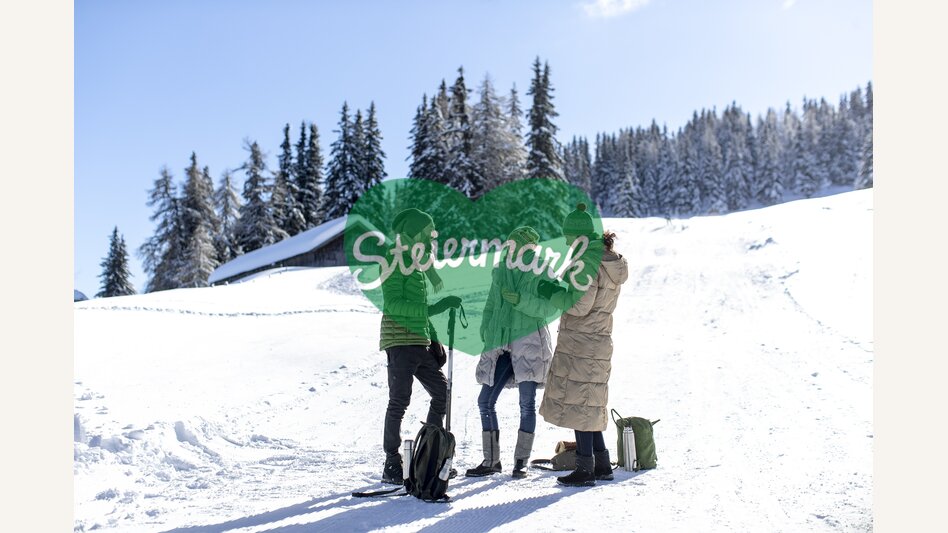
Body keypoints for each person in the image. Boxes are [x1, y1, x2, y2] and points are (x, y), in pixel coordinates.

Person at [537, 203, 629, 487]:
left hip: (581, 341)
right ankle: (601, 465)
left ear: (579, 237)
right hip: (598, 340)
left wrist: (551, 290)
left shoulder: (586, 262)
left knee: (580, 404)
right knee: (589, 404)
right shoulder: (606, 260)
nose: (565, 243)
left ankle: (585, 469)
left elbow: (578, 305)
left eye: (567, 238)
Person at [466, 226, 557, 479]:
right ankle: (491, 461)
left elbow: (549, 307)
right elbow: (492, 302)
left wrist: (520, 301)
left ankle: (521, 462)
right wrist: (485, 324)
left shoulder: (541, 269)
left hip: (529, 344)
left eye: (516, 244)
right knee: (485, 401)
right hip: (501, 344)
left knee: (526, 404)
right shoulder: (502, 269)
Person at [379, 208, 461, 484]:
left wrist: (434, 336)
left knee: (442, 393)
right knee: (399, 401)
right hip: (399, 341)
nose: (429, 239)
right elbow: (391, 303)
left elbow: (422, 308)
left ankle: (431, 453)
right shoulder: (393, 257)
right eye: (426, 233)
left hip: (419, 340)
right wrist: (434, 308)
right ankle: (392, 462)